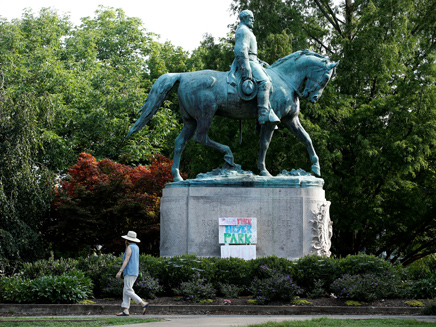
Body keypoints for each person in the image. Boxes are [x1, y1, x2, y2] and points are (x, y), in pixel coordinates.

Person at [234, 9, 280, 125]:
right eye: (251, 18)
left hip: (254, 61)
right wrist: (246, 67)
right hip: (248, 62)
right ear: (244, 19)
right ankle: (263, 115)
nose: (253, 20)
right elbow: (241, 50)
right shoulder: (243, 31)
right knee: (265, 82)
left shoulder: (247, 31)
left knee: (269, 79)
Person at [115, 231, 149, 316]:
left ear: (127, 240)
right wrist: (126, 247)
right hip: (134, 272)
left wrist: (120, 271)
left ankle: (142, 303)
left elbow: (126, 260)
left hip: (129, 271)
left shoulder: (130, 247)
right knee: (126, 290)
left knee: (127, 290)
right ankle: (125, 310)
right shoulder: (135, 247)